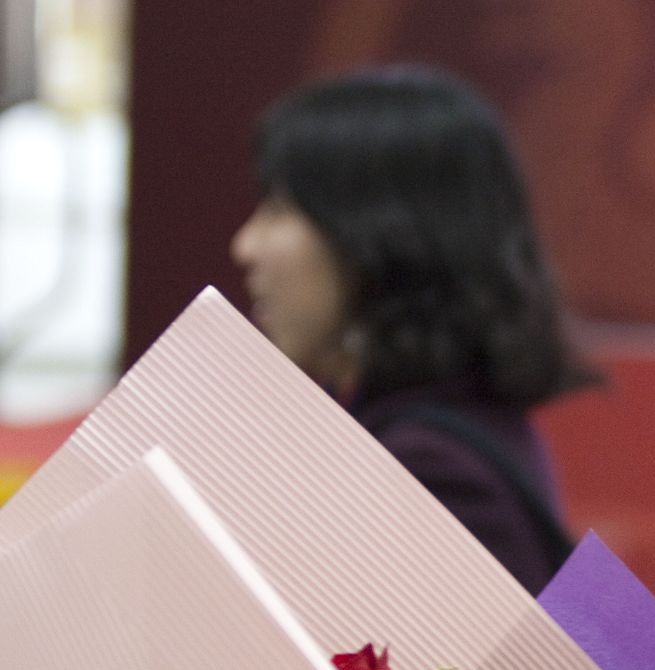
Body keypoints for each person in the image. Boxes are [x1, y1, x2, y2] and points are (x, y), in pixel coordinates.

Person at [230, 66, 579, 592]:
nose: (246, 245)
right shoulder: (454, 430)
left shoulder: (432, 472)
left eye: (278, 209)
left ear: (381, 237)